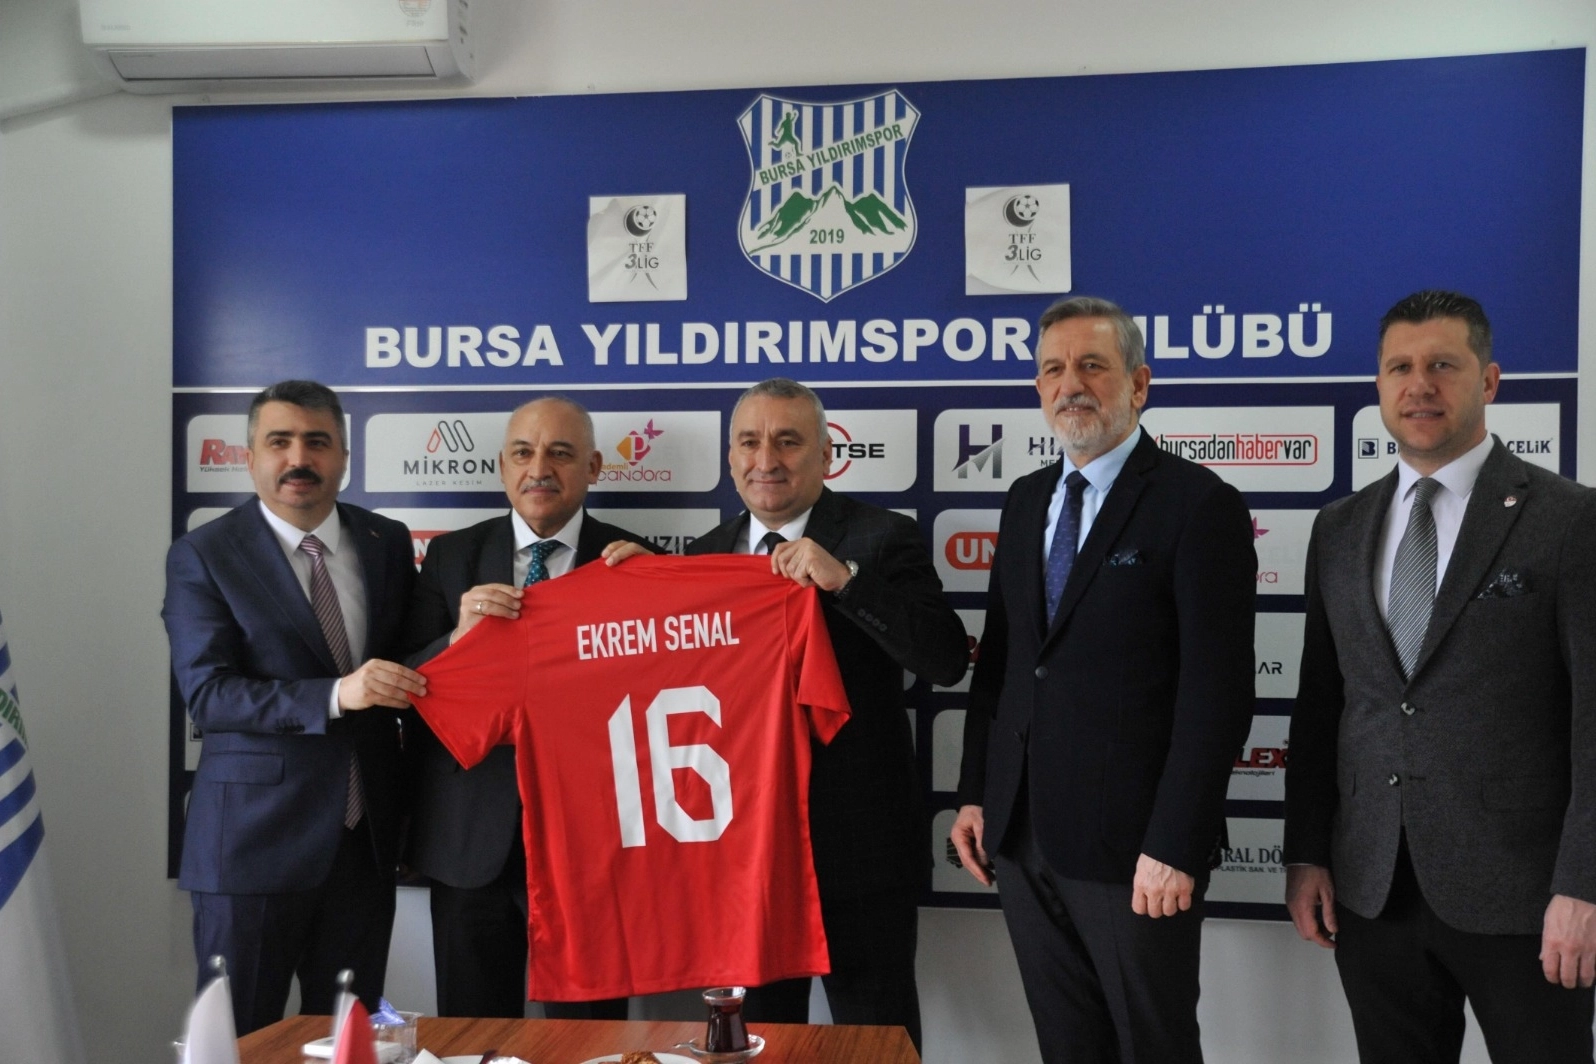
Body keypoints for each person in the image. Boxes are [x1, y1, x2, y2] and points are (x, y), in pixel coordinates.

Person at [1283, 290, 1596, 1064]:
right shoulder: (1339, 527)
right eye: (1400, 368)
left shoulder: (1569, 520)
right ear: (1379, 386)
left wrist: (1584, 885)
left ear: (1488, 380)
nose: (1419, 385)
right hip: (1373, 888)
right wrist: (1307, 853)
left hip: (1527, 898)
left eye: (1443, 366)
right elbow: (1322, 705)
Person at [609, 377, 965, 1053]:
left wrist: (846, 582)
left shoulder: (882, 537)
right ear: (730, 456)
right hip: (745, 860)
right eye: (749, 441)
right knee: (757, 1042)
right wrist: (644, 594)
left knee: (874, 1038)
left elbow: (945, 658)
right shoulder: (704, 556)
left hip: (859, 851)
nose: (765, 459)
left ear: (827, 454)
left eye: (788, 441)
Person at [950, 296, 1256, 1064]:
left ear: (1139, 384)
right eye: (1053, 369)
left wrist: (1176, 843)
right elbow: (1004, 662)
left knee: (1153, 1046)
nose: (1071, 385)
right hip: (1022, 837)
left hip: (1137, 850)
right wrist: (977, 793)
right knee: (1067, 1047)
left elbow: (1217, 694)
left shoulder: (1200, 505)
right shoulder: (1025, 500)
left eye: (1092, 365)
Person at [162, 380, 426, 1035]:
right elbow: (210, 694)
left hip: (363, 844)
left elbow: (411, 663)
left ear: (345, 456)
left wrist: (468, 633)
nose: (298, 458)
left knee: (348, 1038)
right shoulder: (204, 554)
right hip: (251, 846)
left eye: (317, 441)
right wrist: (337, 694)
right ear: (249, 456)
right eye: (278, 441)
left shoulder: (387, 540)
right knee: (239, 1037)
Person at [400, 396, 657, 1019]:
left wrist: (658, 600)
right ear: (502, 466)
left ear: (593, 467)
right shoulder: (451, 557)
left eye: (560, 453)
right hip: (470, 838)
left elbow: (670, 690)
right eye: (523, 452)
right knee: (473, 1038)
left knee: (591, 1042)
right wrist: (457, 640)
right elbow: (405, 681)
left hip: (595, 843)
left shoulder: (636, 560)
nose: (539, 468)